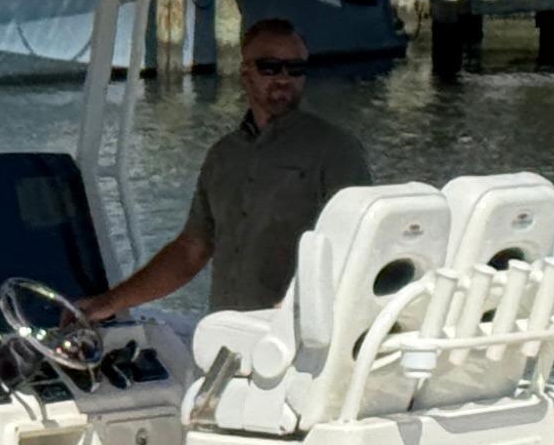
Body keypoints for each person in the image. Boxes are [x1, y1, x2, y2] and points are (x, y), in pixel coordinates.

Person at [77, 18, 372, 322]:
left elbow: (361, 244)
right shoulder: (222, 156)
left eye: (295, 69)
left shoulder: (336, 150)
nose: (284, 78)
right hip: (228, 336)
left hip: (299, 340)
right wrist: (110, 302)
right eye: (270, 67)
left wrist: (296, 305)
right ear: (245, 72)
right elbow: (192, 249)